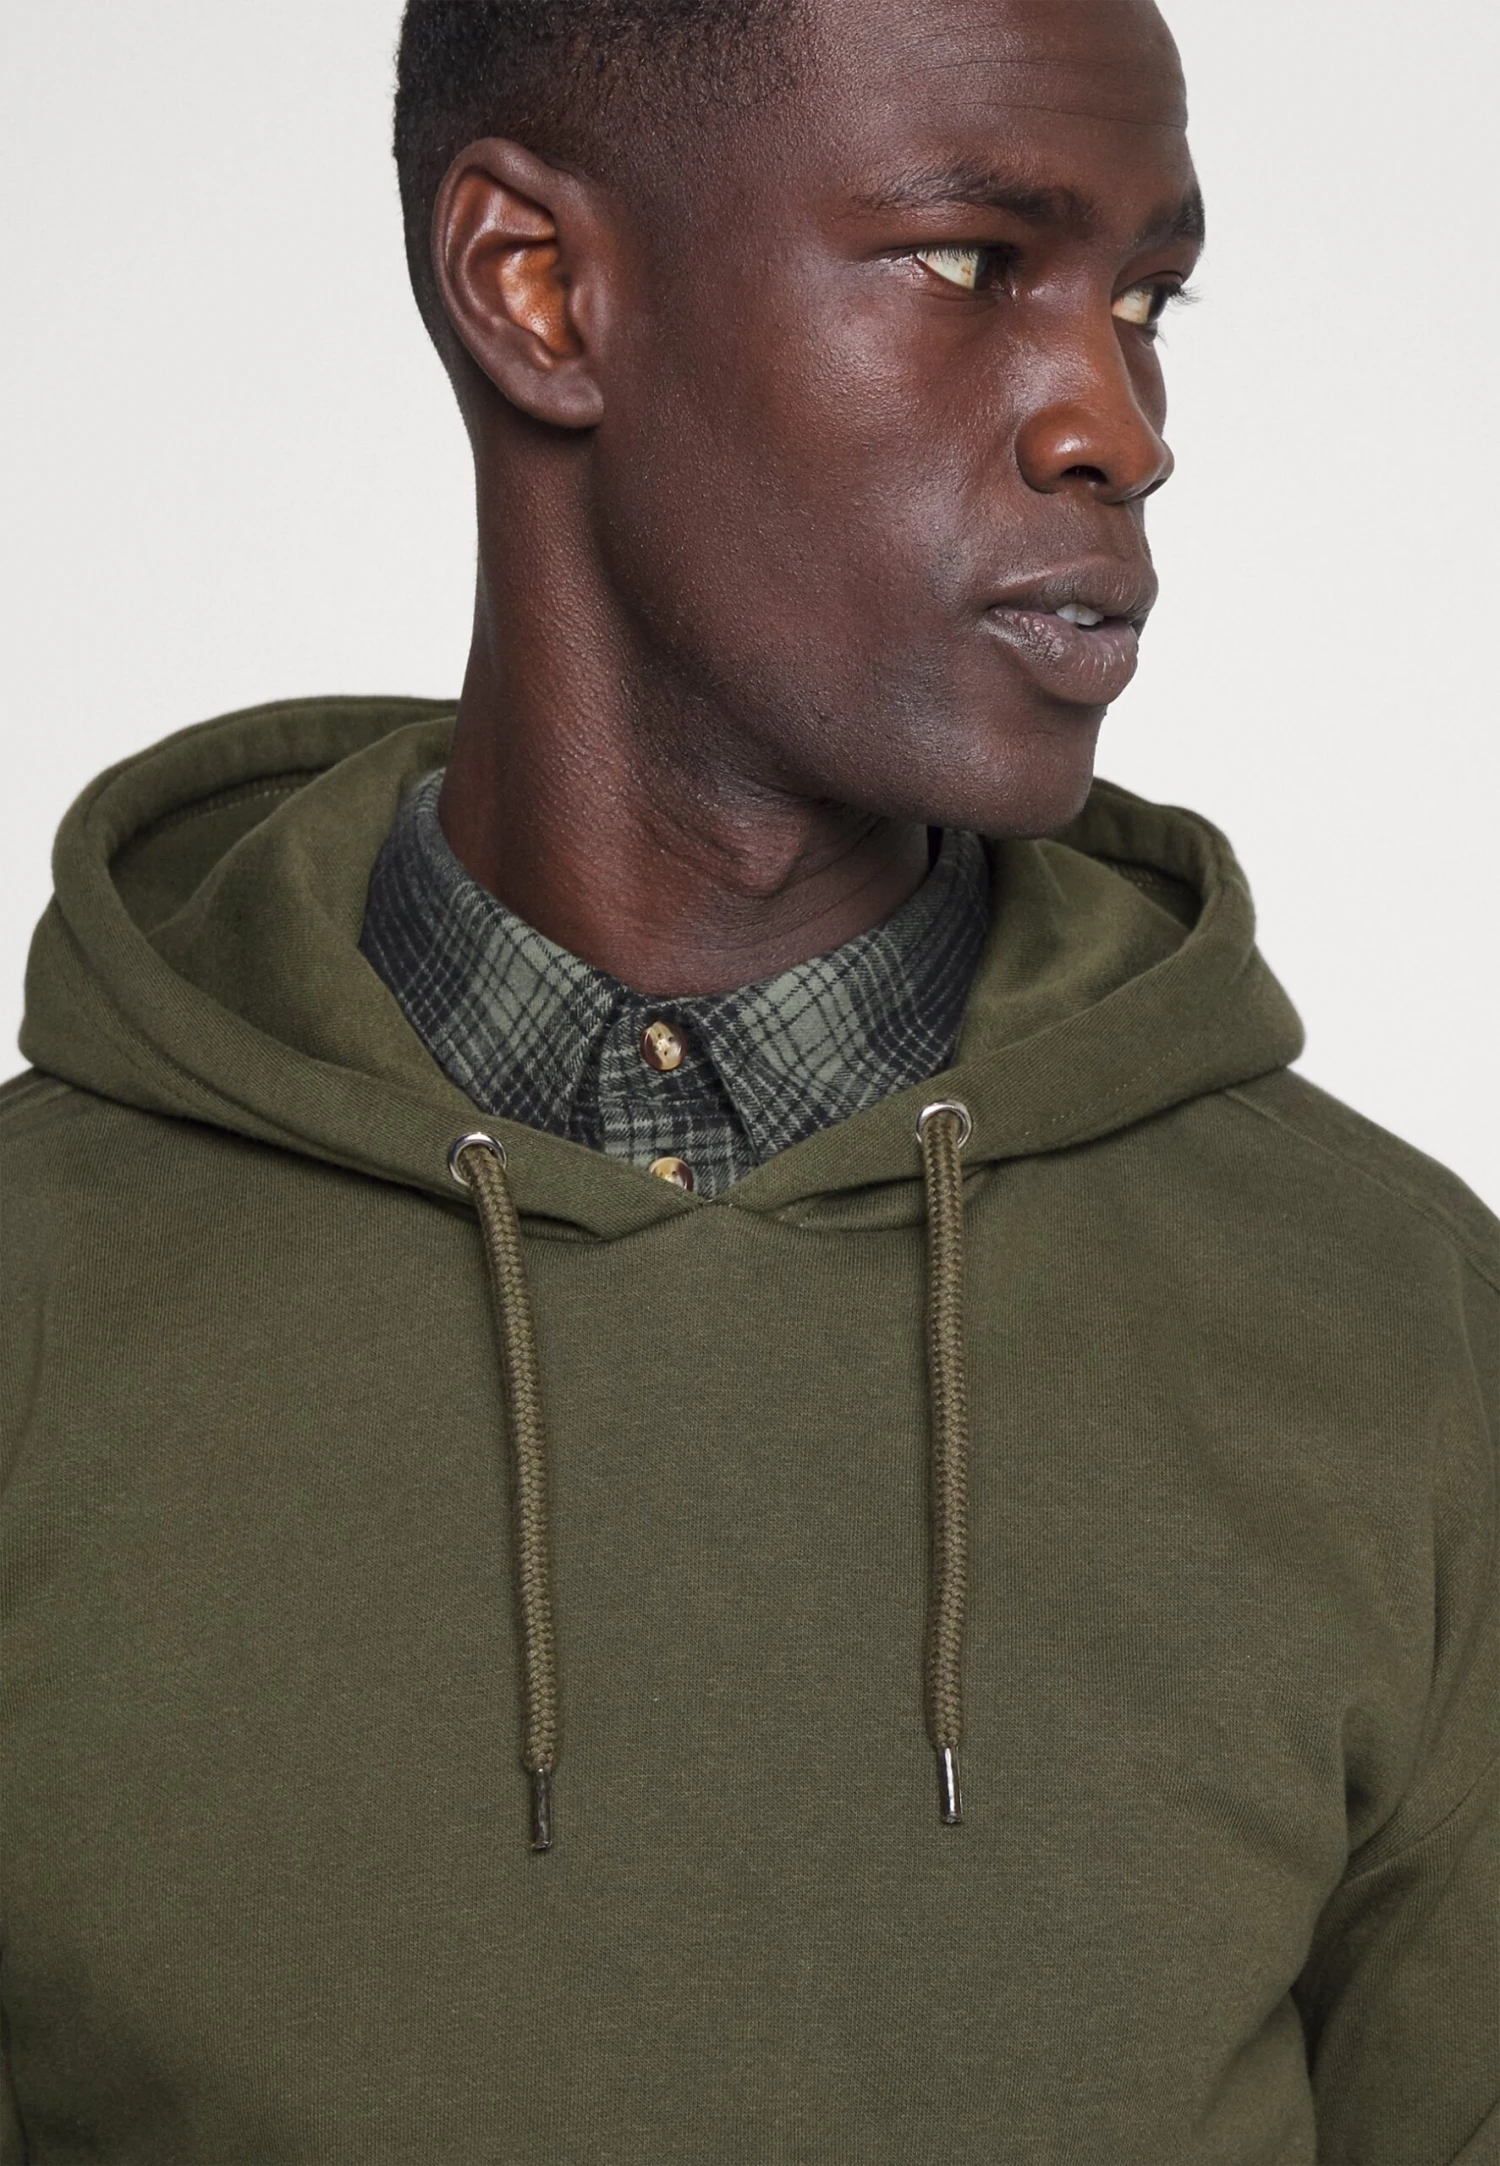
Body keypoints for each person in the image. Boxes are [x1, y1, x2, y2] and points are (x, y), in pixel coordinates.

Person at [2, 0, 1494, 2154]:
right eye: (972, 262)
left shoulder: (1408, 1332)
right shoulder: (38, 1308)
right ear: (536, 286)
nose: (1119, 425)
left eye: (1146, 301)